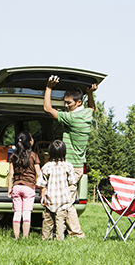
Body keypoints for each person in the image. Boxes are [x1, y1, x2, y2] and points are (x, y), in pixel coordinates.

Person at [43, 75, 98, 238]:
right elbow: (92, 108)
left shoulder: (72, 118)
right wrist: (91, 94)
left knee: (66, 203)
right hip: (78, 166)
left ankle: (76, 233)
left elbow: (47, 109)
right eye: (65, 103)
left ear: (78, 103)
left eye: (69, 103)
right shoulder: (87, 115)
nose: (66, 106)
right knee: (67, 201)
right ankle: (73, 232)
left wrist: (48, 87)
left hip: (71, 167)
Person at [36, 140, 78, 240]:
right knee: (60, 223)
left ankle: (45, 239)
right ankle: (60, 239)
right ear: (64, 152)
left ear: (50, 152)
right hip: (63, 200)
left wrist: (42, 197)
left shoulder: (46, 166)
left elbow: (42, 184)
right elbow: (73, 181)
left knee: (47, 222)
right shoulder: (68, 166)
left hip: (50, 199)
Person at [8, 130, 41, 239]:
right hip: (29, 188)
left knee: (17, 213)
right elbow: (38, 173)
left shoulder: (13, 156)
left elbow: (10, 174)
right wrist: (40, 187)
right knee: (26, 214)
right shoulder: (33, 156)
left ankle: (16, 237)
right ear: (29, 142)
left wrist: (9, 189)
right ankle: (25, 237)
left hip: (16, 187)